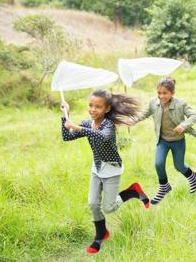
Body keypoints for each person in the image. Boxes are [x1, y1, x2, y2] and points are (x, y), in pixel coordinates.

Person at [60, 89, 149, 254]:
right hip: (97, 169)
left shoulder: (109, 125)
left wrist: (77, 127)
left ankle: (132, 192)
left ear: (107, 109)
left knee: (108, 207)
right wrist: (66, 116)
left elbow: (102, 136)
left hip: (112, 170)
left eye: (98, 107)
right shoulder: (87, 124)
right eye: (90, 105)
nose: (93, 109)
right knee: (93, 203)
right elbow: (67, 137)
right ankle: (101, 233)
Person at [133, 77, 196, 205]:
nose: (161, 96)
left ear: (172, 93)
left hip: (178, 141)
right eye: (159, 93)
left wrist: (184, 125)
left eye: (165, 93)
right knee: (158, 164)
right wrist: (132, 120)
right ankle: (164, 187)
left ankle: (193, 178)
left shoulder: (180, 104)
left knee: (179, 166)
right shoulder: (154, 103)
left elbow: (194, 116)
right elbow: (143, 114)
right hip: (163, 141)